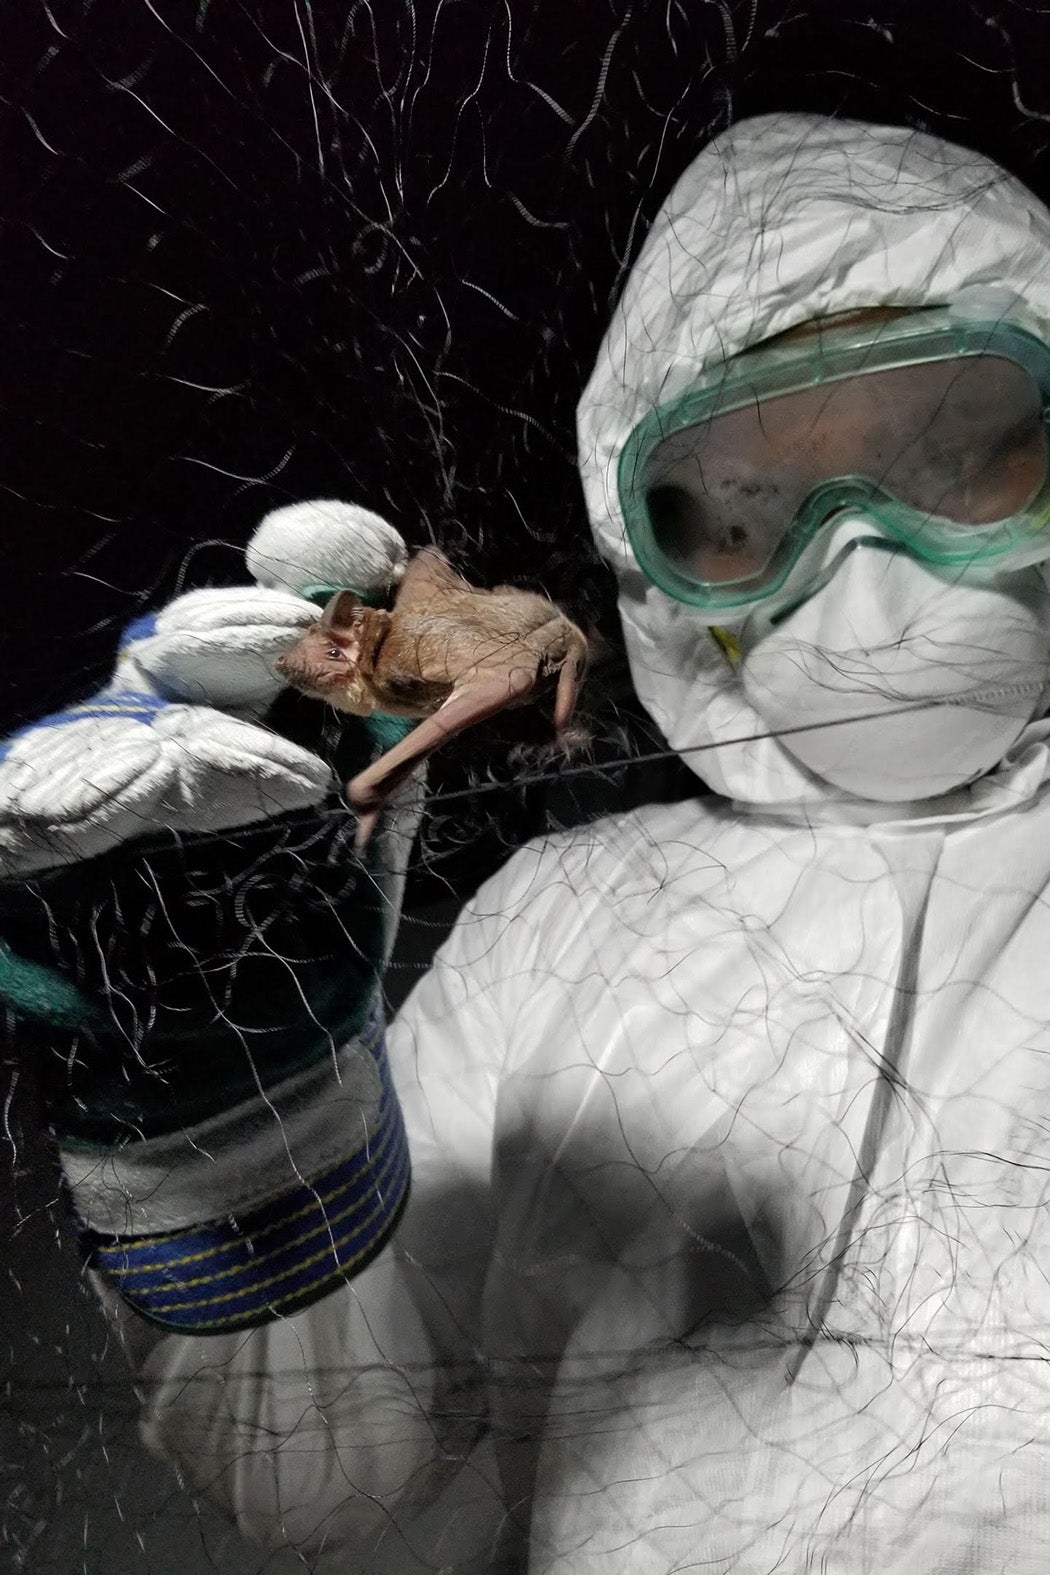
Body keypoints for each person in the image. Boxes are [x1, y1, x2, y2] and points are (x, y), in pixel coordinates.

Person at [7, 109, 1050, 1572]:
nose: (862, 561)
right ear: (651, 551)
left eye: (954, 458)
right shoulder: (557, 922)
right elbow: (334, 1495)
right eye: (749, 512)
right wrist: (220, 1138)